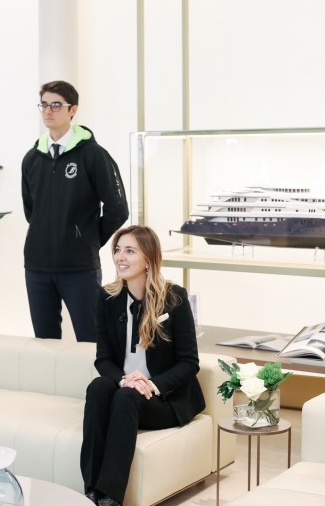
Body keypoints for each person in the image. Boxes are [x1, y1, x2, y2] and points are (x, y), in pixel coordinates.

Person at [80, 225, 205, 506]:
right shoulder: (107, 298)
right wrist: (125, 380)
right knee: (99, 388)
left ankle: (111, 496)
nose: (119, 257)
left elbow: (189, 362)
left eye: (129, 251)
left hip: (163, 400)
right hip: (127, 390)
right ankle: (90, 491)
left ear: (148, 259)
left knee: (126, 397)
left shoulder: (174, 297)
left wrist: (151, 384)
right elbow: (103, 358)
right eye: (117, 250)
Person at [21, 80, 129, 342]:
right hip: (36, 268)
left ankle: (95, 385)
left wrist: (87, 240)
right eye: (44, 105)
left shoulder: (92, 154)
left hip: (78, 268)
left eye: (56, 105)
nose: (49, 111)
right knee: (45, 342)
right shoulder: (32, 158)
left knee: (91, 340)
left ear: (73, 110)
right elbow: (30, 211)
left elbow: (118, 209)